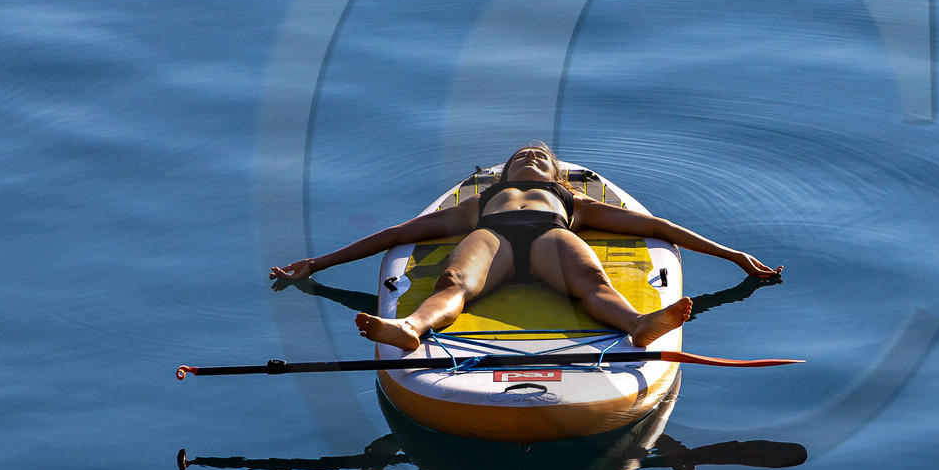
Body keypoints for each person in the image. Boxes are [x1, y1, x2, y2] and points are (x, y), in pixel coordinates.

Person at [269, 141, 781, 357]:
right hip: (492, 240)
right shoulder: (478, 204)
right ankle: (410, 328)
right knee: (454, 285)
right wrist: (317, 262)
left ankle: (637, 325)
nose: (531, 155)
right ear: (507, 171)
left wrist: (732, 255)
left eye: (541, 156)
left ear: (556, 175)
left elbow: (659, 227)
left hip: (549, 240)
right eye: (522, 155)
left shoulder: (573, 201)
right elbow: (399, 234)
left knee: (593, 284)